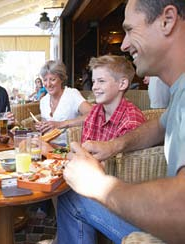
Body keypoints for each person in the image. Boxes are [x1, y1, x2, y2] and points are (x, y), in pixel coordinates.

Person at [61, 0, 185, 243]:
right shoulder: (179, 93)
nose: (125, 44)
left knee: (73, 196)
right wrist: (113, 146)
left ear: (167, 20)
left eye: (129, 30)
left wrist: (97, 184)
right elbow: (160, 125)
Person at [40, 55, 146, 156]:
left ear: (122, 84)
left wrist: (52, 152)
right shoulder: (95, 111)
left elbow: (111, 166)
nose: (94, 87)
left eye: (101, 81)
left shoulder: (131, 121)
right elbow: (84, 153)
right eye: (93, 81)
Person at [35, 60, 92, 146]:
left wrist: (62, 124)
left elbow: (92, 114)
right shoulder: (43, 101)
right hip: (47, 145)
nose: (48, 84)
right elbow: (45, 129)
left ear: (61, 79)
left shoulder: (72, 94)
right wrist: (42, 127)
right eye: (45, 80)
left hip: (69, 147)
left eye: (52, 79)